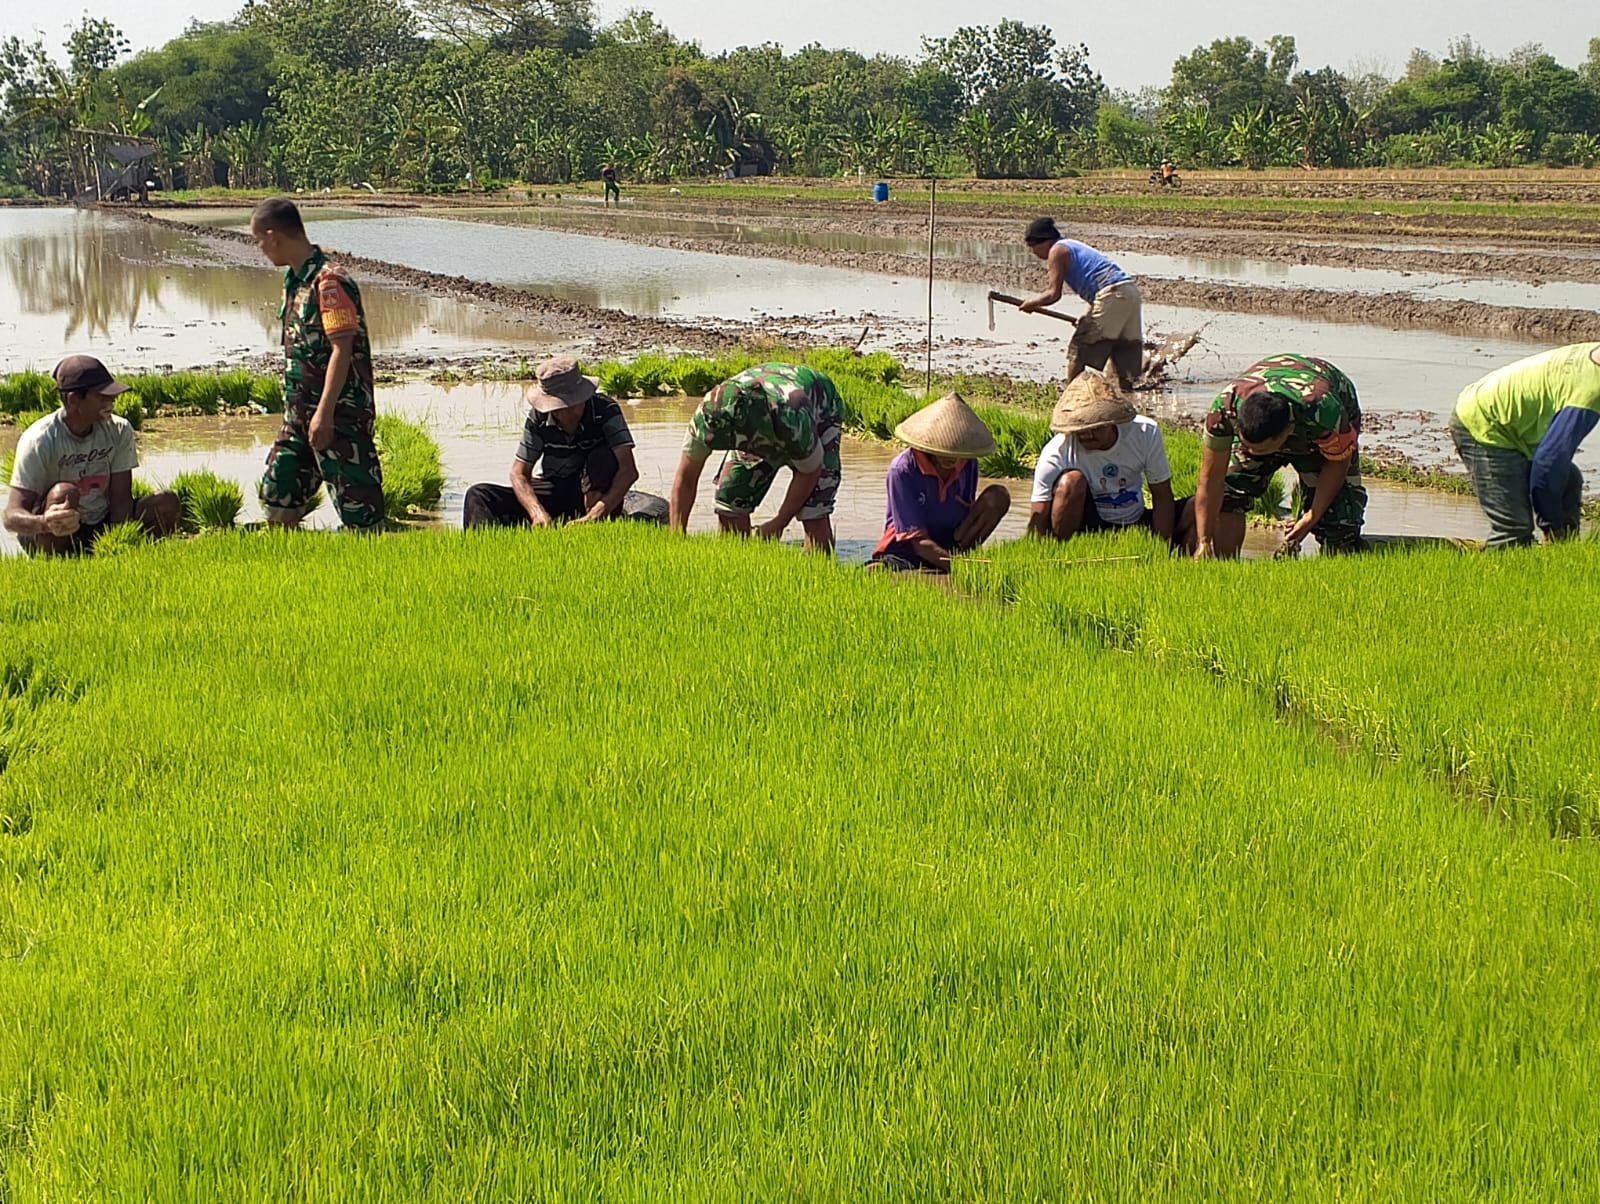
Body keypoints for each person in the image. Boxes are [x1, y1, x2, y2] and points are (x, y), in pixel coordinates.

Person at [248, 196, 385, 532]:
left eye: (259, 241)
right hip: (299, 417)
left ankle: (373, 572)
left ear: (274, 236)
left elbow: (342, 349)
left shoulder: (329, 283)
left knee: (360, 514)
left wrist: (324, 414)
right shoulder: (295, 281)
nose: (260, 248)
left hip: (338, 417)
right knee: (279, 491)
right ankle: (286, 569)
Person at [1191, 353, 1367, 559]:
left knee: (1340, 521)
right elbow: (1210, 479)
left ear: (1287, 433)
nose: (1255, 454)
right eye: (1249, 447)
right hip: (1265, 404)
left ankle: (1338, 565)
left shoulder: (1325, 411)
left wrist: (1311, 517)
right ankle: (1222, 564)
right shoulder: (1224, 410)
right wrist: (1204, 540)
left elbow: (1337, 463)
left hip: (1323, 405)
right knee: (1230, 494)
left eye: (1263, 451)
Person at [3, 355, 179, 555]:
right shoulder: (40, 440)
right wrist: (46, 523)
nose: (112, 401)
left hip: (101, 521)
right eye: (102, 396)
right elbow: (11, 517)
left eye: (112, 396)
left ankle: (136, 557)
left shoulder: (119, 430)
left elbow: (121, 500)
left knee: (166, 502)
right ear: (74, 400)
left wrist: (117, 546)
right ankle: (58, 564)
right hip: (53, 533)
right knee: (64, 493)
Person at [669, 362, 842, 553]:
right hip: (758, 418)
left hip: (818, 408)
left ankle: (815, 570)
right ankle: (736, 564)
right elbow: (686, 478)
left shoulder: (792, 415)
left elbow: (809, 473)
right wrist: (676, 536)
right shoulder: (707, 418)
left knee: (813, 510)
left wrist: (778, 523)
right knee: (730, 501)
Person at [1448, 343, 1600, 548]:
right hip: (1485, 423)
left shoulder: (1593, 355)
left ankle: (1562, 554)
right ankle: (1499, 571)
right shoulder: (1589, 394)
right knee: (1513, 529)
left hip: (1512, 426)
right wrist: (1551, 522)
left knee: (1569, 481)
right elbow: (1548, 462)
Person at [461, 356, 640, 528]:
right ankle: (491, 549)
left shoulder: (605, 410)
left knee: (601, 458)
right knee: (478, 494)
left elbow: (628, 470)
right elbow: (519, 473)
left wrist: (595, 514)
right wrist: (536, 512)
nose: (565, 412)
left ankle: (595, 523)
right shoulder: (539, 417)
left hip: (595, 492)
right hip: (555, 487)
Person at [1028, 371, 1184, 545]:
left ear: (1111, 423)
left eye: (1094, 428)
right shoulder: (1057, 450)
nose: (1086, 435)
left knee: (1195, 508)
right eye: (1080, 430)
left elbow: (1162, 495)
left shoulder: (1145, 433)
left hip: (1135, 518)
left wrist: (1162, 545)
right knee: (1070, 481)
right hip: (1087, 521)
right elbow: (1039, 514)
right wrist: (1041, 549)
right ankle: (1065, 544)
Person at [869, 393, 1012, 572]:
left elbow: (968, 513)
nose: (951, 459)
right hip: (907, 550)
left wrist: (963, 560)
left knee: (998, 496)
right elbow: (916, 541)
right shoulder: (903, 470)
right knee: (876, 571)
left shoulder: (968, 463)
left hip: (950, 541)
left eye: (957, 452)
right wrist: (958, 567)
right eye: (944, 451)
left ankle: (961, 555)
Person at [1020, 217, 1144, 390]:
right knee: (1124, 351)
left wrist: (1032, 303)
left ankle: (1071, 396)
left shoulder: (1057, 251)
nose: (1034, 253)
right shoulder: (1070, 244)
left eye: (1033, 248)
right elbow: (1100, 287)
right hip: (1128, 292)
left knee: (1078, 351)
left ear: (1044, 242)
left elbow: (1053, 294)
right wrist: (1087, 316)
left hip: (1112, 294)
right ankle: (1127, 399)